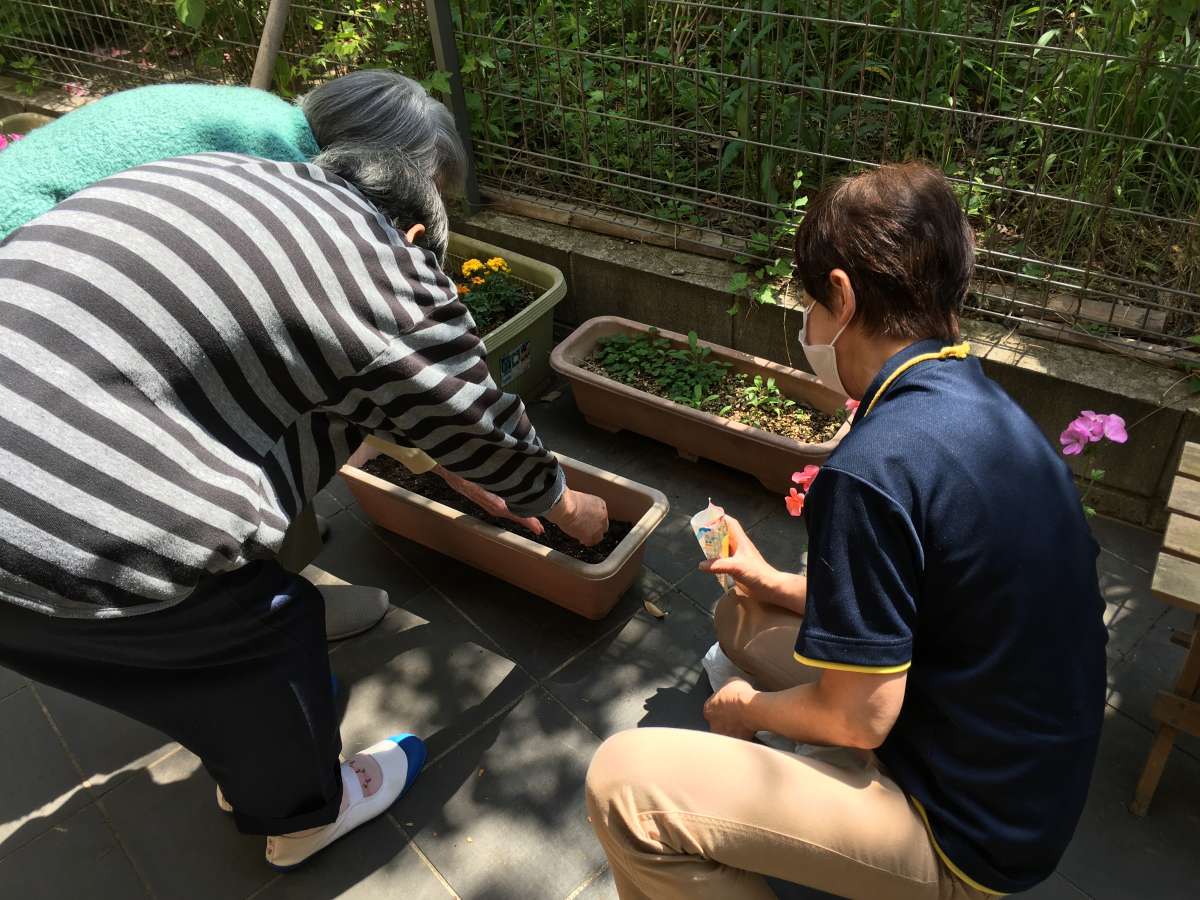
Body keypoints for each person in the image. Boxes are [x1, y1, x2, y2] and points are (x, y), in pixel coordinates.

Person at [0, 121, 609, 865]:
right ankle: (303, 813)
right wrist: (566, 506)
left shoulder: (232, 174)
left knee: (166, 654)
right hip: (45, 514)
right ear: (416, 234)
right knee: (265, 637)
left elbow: (294, 363)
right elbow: (484, 426)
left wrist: (442, 451)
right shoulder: (383, 267)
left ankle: (243, 749)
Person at [585, 161, 1107, 899]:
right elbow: (939, 601)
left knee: (624, 785)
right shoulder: (986, 411)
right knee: (742, 620)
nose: (807, 325)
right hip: (1016, 779)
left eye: (809, 304)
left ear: (842, 294)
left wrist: (747, 712)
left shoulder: (873, 466)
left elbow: (860, 717)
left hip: (960, 835)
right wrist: (775, 583)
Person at [0, 70, 538, 640]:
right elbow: (381, 359)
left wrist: (433, 450)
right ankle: (264, 609)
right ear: (379, 161)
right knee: (130, 443)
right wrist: (457, 451)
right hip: (28, 264)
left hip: (50, 257)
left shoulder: (269, 133)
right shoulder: (292, 182)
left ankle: (278, 571)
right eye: (425, 186)